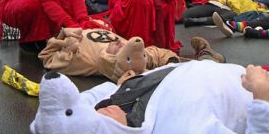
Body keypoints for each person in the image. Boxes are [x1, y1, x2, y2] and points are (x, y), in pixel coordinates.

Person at [30, 42, 269, 134]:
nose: (104, 108)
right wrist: (262, 95)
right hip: (240, 83)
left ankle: (205, 55)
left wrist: (118, 85)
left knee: (190, 64)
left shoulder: (105, 106)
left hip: (181, 72)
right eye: (102, 117)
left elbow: (82, 104)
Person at [38, 27, 225, 82]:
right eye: (120, 47)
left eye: (119, 47)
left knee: (149, 57)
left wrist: (63, 37)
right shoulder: (93, 60)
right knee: (150, 57)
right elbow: (155, 54)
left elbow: (47, 57)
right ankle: (205, 60)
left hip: (116, 61)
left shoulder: (89, 58)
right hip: (123, 64)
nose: (120, 42)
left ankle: (204, 62)